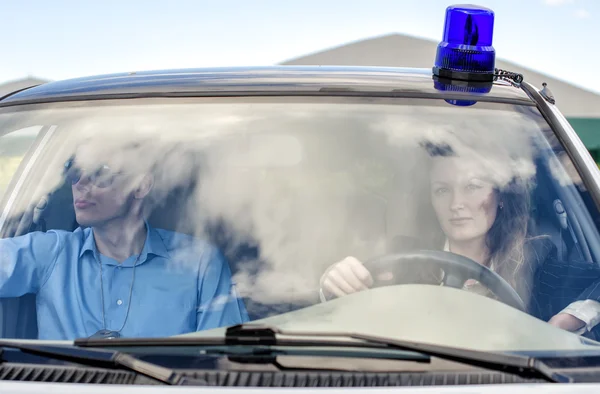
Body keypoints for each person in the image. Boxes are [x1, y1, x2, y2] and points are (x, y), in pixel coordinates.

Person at [319, 142, 600, 336]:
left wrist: (570, 318)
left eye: (473, 187)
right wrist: (335, 282)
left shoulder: (536, 258)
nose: (456, 203)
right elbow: (349, 309)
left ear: (500, 196)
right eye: (442, 190)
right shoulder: (400, 258)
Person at [0, 142, 249, 340]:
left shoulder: (199, 263)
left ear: (141, 186)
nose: (81, 185)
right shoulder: (51, 252)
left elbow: (224, 358)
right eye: (75, 173)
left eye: (100, 172)